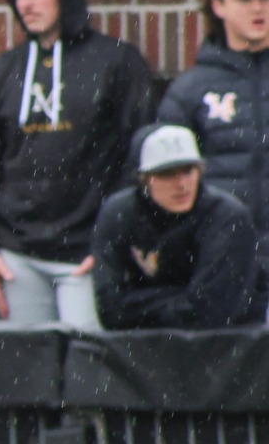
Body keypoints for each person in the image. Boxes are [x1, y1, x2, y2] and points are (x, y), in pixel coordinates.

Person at [0, 0, 153, 327]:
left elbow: (138, 159)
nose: (25, 3)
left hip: (86, 257)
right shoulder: (1, 72)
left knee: (90, 377)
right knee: (28, 381)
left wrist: (112, 243)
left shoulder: (117, 62)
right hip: (17, 259)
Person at [157, 0, 269, 273]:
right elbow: (163, 178)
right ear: (218, 5)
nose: (258, 8)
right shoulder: (190, 90)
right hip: (220, 260)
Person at [91, 125, 267, 329]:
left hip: (230, 346)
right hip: (143, 347)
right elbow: (110, 310)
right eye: (167, 174)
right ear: (145, 179)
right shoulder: (118, 213)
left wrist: (138, 302)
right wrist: (182, 297)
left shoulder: (228, 217)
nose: (182, 184)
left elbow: (210, 313)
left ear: (200, 171)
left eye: (188, 171)